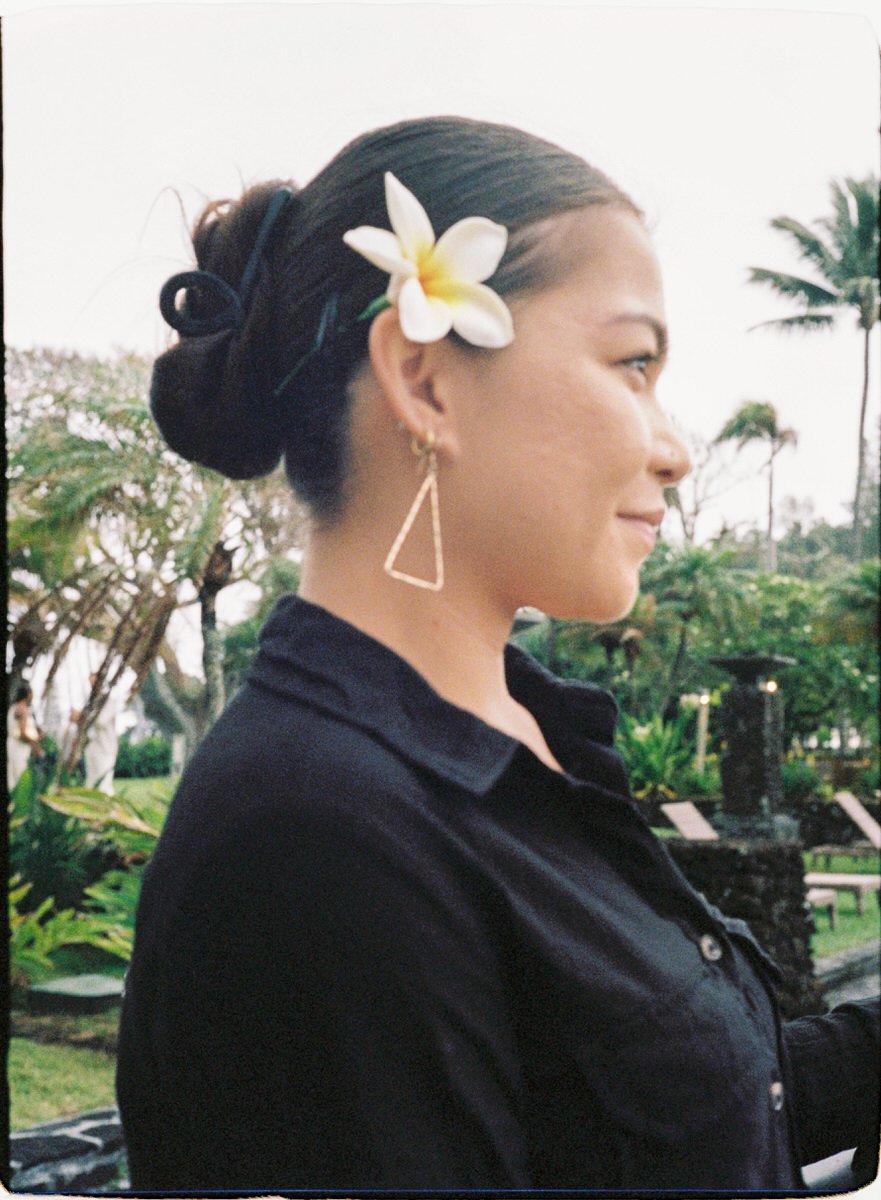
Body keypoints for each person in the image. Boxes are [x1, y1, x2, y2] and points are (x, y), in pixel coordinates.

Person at [116, 116, 879, 1192]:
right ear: (425, 379)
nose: (671, 447)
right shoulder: (319, 834)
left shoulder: (530, 736)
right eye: (632, 364)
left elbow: (680, 1106)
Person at [71, 673, 122, 793]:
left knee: (104, 784)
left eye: (94, 683)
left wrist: (82, 716)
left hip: (106, 747)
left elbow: (100, 721)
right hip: (92, 747)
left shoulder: (109, 701)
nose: (92, 686)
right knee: (91, 782)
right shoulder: (91, 702)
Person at [7, 683, 42, 792]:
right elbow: (22, 733)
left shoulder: (14, 708)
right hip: (19, 747)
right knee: (19, 777)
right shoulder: (23, 709)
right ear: (28, 695)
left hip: (13, 745)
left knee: (12, 777)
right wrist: (35, 743)